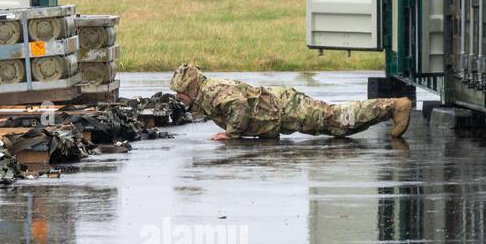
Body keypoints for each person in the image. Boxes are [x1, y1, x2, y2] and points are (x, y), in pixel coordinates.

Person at [169, 63, 411, 140]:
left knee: (335, 119)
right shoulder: (205, 95)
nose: (179, 97)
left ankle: (394, 106)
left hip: (285, 107)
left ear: (190, 87)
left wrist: (231, 134)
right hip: (281, 110)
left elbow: (238, 105)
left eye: (180, 92)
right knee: (336, 127)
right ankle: (388, 111)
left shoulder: (211, 90)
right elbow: (204, 111)